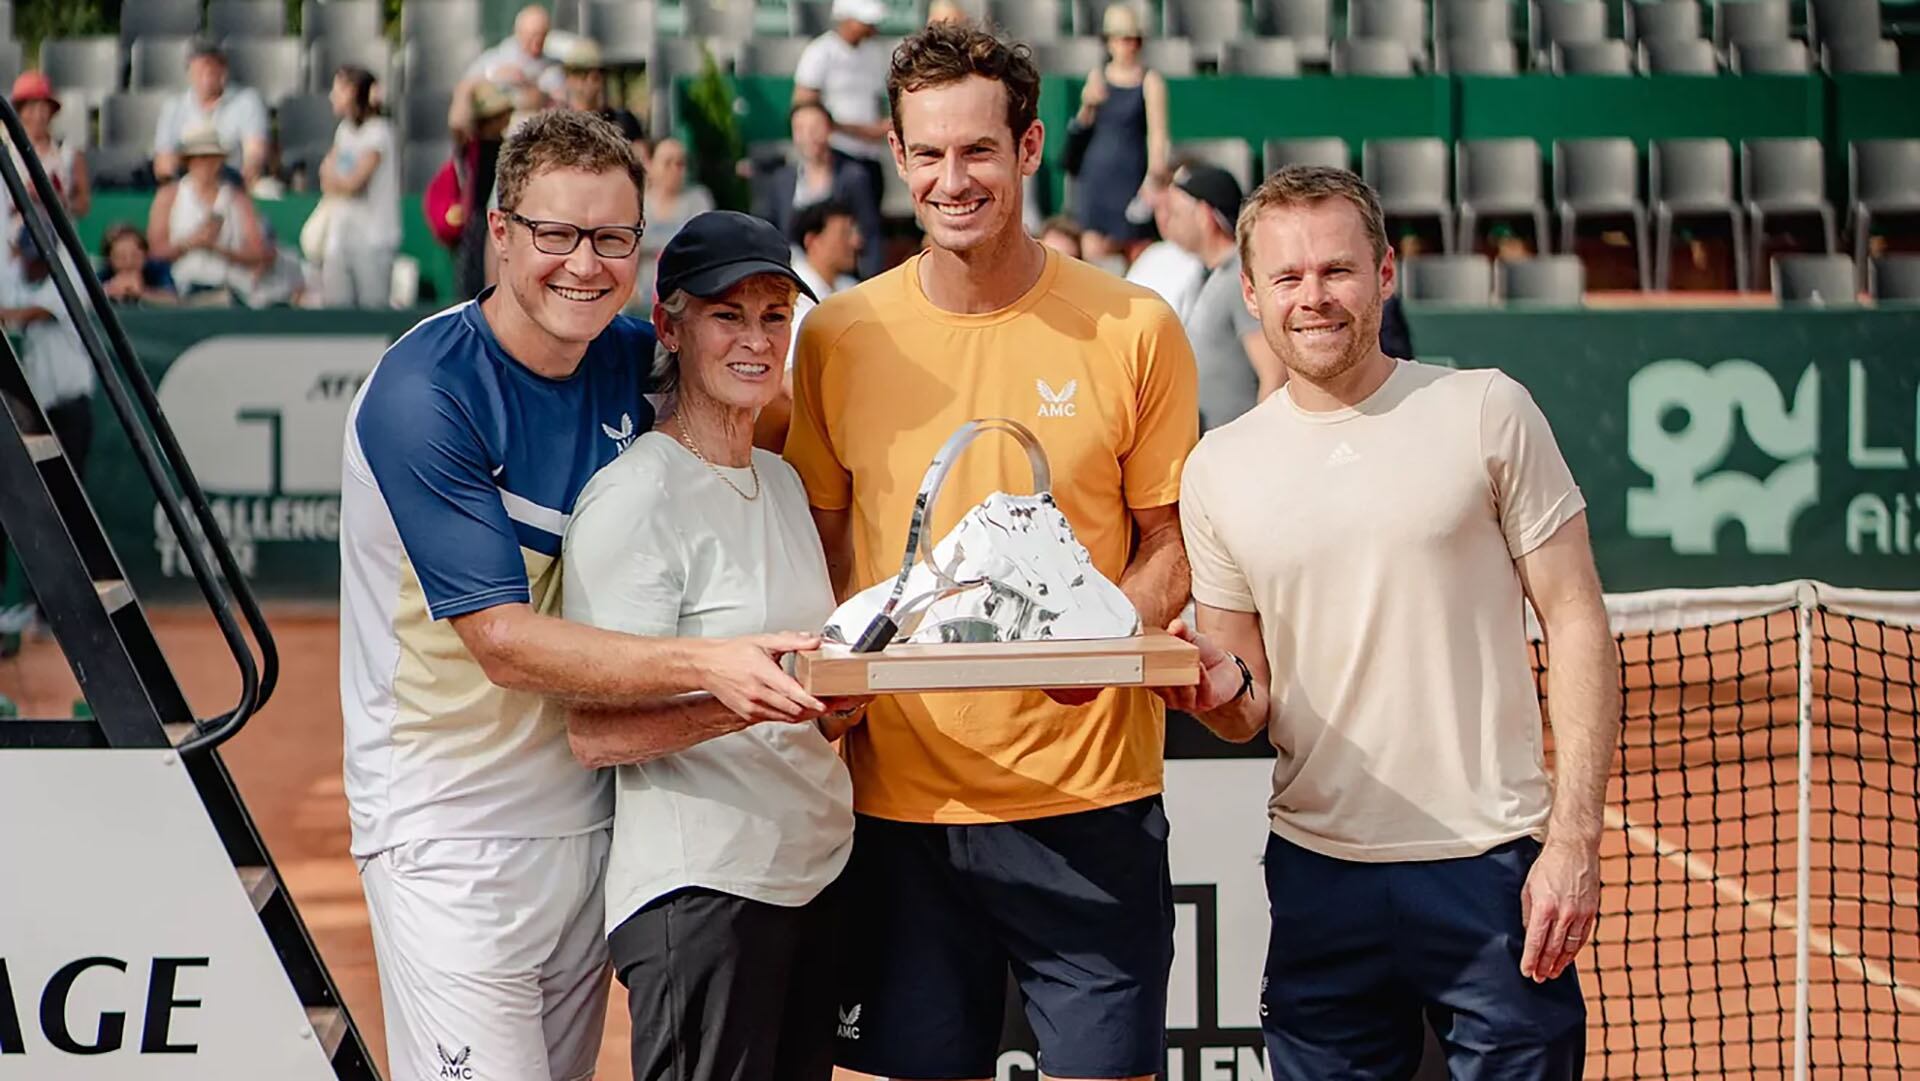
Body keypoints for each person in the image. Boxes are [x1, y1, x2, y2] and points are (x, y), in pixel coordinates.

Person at [340, 110, 827, 1081]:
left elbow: (745, 395)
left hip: (593, 821)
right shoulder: (424, 392)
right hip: (448, 830)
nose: (585, 264)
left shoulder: (626, 355)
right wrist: (716, 665)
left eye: (611, 238)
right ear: (501, 232)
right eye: (557, 233)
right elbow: (503, 641)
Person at [784, 23, 1197, 1081]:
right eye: (927, 153)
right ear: (895, 153)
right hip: (898, 813)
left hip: (1090, 801)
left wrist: (1102, 640)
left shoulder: (1136, 326)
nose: (952, 178)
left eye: (978, 150)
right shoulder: (836, 337)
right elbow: (824, 553)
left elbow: (1171, 544)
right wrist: (833, 679)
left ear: (1029, 147)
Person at [1163, 165, 1616, 1080]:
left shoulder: (1487, 408)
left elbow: (1576, 619)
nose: (1313, 297)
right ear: (1249, 291)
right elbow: (1247, 701)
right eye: (1287, 277)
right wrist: (1211, 689)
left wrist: (1573, 839)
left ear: (1384, 273)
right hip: (1317, 875)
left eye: (1337, 269)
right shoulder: (1217, 468)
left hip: (1490, 868)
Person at [563, 210, 859, 1081]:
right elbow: (595, 732)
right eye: (728, 315)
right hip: (703, 893)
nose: (756, 339)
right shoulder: (635, 497)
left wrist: (834, 702)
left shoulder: (784, 482)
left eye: (774, 316)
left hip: (812, 875)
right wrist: (746, 702)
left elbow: (801, 701)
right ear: (671, 325)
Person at [1162, 161, 1284, 428]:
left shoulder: (1240, 278)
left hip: (1241, 445)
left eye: (1178, 214)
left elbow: (1274, 374)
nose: (1169, 222)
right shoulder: (1205, 275)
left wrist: (1260, 439)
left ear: (1204, 216)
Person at [1069, 3, 1168, 263]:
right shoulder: (1097, 77)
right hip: (1097, 180)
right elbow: (1082, 125)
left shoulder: (1150, 81)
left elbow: (1158, 134)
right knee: (1093, 255)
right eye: (1123, 39)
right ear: (1109, 42)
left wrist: (1153, 179)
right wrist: (1088, 103)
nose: (1130, 46)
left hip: (1132, 178)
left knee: (1138, 252)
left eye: (1135, 40)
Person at [751, 101, 883, 280]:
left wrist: (871, 279)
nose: (809, 136)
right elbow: (768, 230)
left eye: (816, 128)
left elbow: (870, 232)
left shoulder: (853, 176)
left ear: (829, 129)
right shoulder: (782, 180)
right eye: (800, 129)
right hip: (793, 275)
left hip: (840, 277)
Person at [146, 128, 272, 302]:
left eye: (212, 158)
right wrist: (192, 242)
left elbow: (257, 253)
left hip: (232, 287)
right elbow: (156, 252)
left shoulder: (238, 199)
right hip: (183, 288)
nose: (206, 164)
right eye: (199, 158)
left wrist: (217, 249)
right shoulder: (168, 196)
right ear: (188, 161)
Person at [792, 0, 892, 211]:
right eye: (864, 22)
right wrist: (845, 129)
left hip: (870, 156)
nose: (871, 27)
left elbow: (878, 105)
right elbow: (803, 106)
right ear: (846, 19)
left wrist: (877, 130)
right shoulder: (820, 52)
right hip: (835, 154)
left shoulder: (874, 54)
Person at [317, 65, 400, 308]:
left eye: (338, 90)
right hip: (340, 239)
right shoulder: (343, 131)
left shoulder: (380, 132)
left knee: (373, 313)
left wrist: (339, 180)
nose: (332, 96)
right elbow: (326, 177)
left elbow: (354, 183)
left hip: (374, 240)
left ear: (353, 92)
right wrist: (339, 180)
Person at [151, 40, 270, 185]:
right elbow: (163, 161)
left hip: (233, 183)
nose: (206, 76)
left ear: (223, 70)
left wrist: (238, 189)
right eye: (199, 71)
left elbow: (254, 156)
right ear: (189, 73)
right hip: (186, 185)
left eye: (211, 71)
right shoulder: (173, 107)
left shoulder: (248, 101)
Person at [447, 78, 518, 299]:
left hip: (499, 217)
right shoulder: (470, 147)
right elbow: (457, 123)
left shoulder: (509, 148)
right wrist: (467, 87)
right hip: (475, 222)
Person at [637, 137, 714, 305]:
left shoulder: (698, 199)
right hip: (640, 297)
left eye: (680, 163)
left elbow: (701, 246)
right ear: (650, 165)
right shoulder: (637, 203)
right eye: (667, 163)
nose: (674, 169)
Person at [5, 73, 89, 226]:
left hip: (57, 236)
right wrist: (24, 196)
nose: (38, 115)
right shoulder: (5, 153)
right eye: (31, 108)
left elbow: (83, 204)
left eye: (43, 107)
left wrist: (57, 200)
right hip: (14, 236)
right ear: (19, 112)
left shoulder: (68, 153)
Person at [1124, 172, 1206, 319]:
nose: (1164, 217)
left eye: (1171, 209)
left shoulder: (1201, 262)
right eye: (1158, 209)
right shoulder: (1151, 255)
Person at [466, 3, 565, 112]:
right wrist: (496, 75)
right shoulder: (499, 57)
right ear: (518, 32)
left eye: (542, 36)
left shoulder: (553, 65)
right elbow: (469, 80)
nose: (536, 42)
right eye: (532, 36)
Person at [560, 39, 646, 156]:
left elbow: (640, 159)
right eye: (581, 73)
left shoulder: (623, 122)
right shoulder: (560, 126)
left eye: (599, 72)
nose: (590, 79)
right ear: (568, 77)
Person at [100, 223, 178, 305]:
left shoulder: (158, 270)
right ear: (109, 259)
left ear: (145, 255)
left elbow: (173, 300)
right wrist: (108, 292)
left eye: (135, 256)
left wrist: (141, 292)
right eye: (121, 257)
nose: (129, 262)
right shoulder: (103, 274)